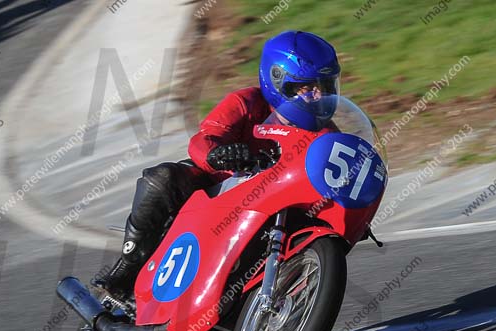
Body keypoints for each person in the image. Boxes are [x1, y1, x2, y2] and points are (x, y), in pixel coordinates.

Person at [96, 30, 341, 299]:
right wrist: (218, 155)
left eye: (325, 86)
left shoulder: (327, 135)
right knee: (162, 178)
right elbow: (204, 139)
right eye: (309, 86)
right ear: (280, 81)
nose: (319, 95)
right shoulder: (247, 102)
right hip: (217, 192)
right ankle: (128, 266)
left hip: (272, 209)